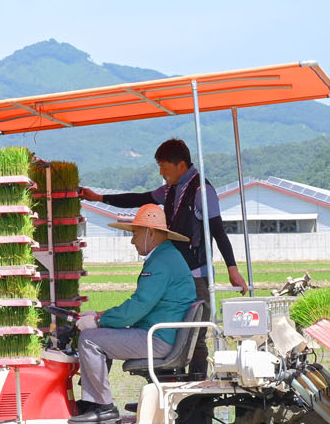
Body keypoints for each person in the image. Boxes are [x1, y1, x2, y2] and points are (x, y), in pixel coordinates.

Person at [80, 138, 244, 376]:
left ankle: (196, 389)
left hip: (196, 275)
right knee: (167, 331)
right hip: (174, 275)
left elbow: (218, 230)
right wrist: (99, 198)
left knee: (194, 338)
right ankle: (169, 383)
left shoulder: (202, 191)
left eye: (164, 167)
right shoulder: (169, 190)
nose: (161, 173)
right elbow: (139, 199)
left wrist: (232, 269)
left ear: (180, 165)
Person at [67, 203, 197, 424]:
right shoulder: (168, 257)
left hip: (158, 339)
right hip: (162, 334)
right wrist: (100, 315)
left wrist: (98, 320)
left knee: (89, 340)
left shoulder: (160, 262)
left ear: (150, 233)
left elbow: (137, 307)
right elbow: (142, 305)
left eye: (135, 234)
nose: (132, 241)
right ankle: (93, 402)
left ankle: (103, 407)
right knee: (100, 335)